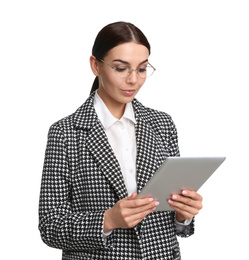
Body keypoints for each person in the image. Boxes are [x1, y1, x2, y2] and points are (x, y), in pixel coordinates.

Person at [39, 21, 203, 260]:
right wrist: (109, 220)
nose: (133, 80)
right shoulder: (65, 133)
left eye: (142, 69)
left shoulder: (162, 124)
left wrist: (184, 214)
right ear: (96, 65)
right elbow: (50, 226)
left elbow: (176, 224)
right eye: (120, 68)